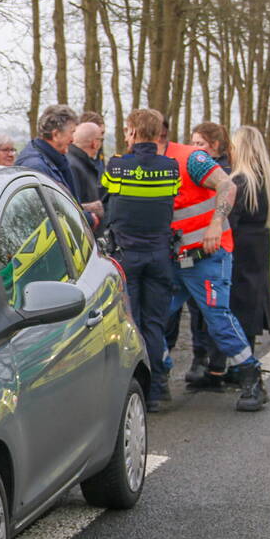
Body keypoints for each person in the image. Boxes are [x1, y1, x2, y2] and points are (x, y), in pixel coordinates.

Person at [161, 115, 267, 412]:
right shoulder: (139, 166)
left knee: (217, 318)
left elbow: (227, 187)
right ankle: (157, 378)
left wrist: (215, 225)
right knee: (153, 318)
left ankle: (251, 378)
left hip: (206, 255)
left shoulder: (191, 160)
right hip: (171, 258)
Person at [101, 109, 181, 411]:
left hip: (127, 256)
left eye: (126, 129)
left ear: (133, 132)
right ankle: (159, 390)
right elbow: (169, 200)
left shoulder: (117, 166)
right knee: (155, 324)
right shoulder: (170, 167)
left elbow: (107, 197)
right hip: (160, 255)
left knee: (129, 323)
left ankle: (134, 389)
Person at [174, 121, 233, 386]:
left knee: (214, 310)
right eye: (192, 143)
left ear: (215, 146)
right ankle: (200, 359)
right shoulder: (190, 169)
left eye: (200, 144)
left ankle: (218, 364)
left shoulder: (222, 173)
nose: (194, 149)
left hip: (214, 251)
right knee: (196, 311)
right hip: (189, 252)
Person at [228, 126, 270, 355]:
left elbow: (230, 221)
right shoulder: (266, 180)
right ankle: (248, 355)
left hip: (240, 247)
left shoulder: (239, 182)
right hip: (259, 246)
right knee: (253, 299)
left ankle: (240, 362)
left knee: (236, 302)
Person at [16, 104, 103, 227]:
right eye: (71, 132)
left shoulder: (53, 160)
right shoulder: (38, 168)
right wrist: (88, 219)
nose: (73, 139)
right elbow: (50, 217)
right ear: (56, 134)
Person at [68, 122, 106, 210]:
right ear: (95, 143)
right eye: (101, 139)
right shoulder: (73, 167)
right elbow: (71, 206)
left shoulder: (72, 162)